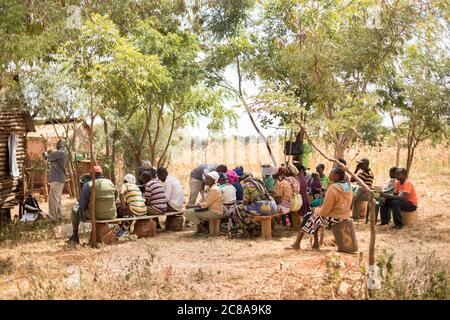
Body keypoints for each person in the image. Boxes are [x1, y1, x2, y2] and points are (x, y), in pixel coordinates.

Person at [285, 167, 352, 250]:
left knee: (308, 215)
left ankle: (297, 244)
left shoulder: (333, 188)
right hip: (344, 215)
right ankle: (315, 244)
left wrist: (316, 209)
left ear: (337, 176)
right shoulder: (347, 186)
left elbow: (324, 212)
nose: (329, 174)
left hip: (334, 217)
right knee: (314, 217)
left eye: (331, 172)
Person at [67, 166, 117, 244]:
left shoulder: (88, 185)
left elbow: (82, 205)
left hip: (94, 215)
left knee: (74, 210)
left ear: (91, 174)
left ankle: (75, 236)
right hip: (111, 214)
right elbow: (115, 197)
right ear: (101, 173)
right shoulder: (110, 183)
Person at [44, 140, 68, 220]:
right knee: (57, 198)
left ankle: (52, 217)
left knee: (53, 199)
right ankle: (59, 215)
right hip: (59, 178)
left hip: (57, 179)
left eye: (58, 144)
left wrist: (46, 153)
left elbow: (47, 157)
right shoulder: (64, 152)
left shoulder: (60, 153)